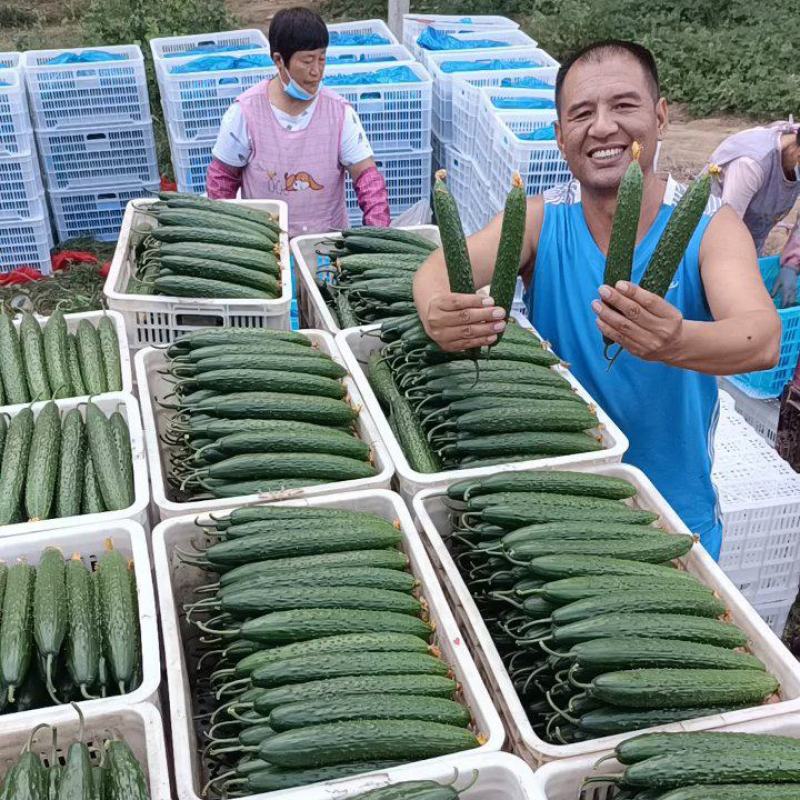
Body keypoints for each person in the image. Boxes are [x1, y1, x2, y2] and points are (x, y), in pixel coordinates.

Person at [413, 39, 781, 561]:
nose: (603, 127)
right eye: (582, 113)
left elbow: (762, 338)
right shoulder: (541, 221)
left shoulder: (708, 226)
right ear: (561, 136)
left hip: (671, 518)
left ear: (660, 116)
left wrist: (674, 340)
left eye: (624, 106)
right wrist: (435, 311)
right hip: (558, 508)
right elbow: (437, 270)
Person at [205, 6, 390, 237]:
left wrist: (379, 233)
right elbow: (222, 179)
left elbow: (367, 178)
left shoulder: (340, 113)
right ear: (279, 60)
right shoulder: (246, 112)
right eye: (307, 61)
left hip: (326, 246)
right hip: (265, 246)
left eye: (322, 59)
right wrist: (227, 236)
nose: (316, 71)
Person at [707, 122, 800, 306]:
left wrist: (792, 262)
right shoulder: (751, 164)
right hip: (710, 244)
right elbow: (724, 233)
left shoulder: (794, 155)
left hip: (750, 240)